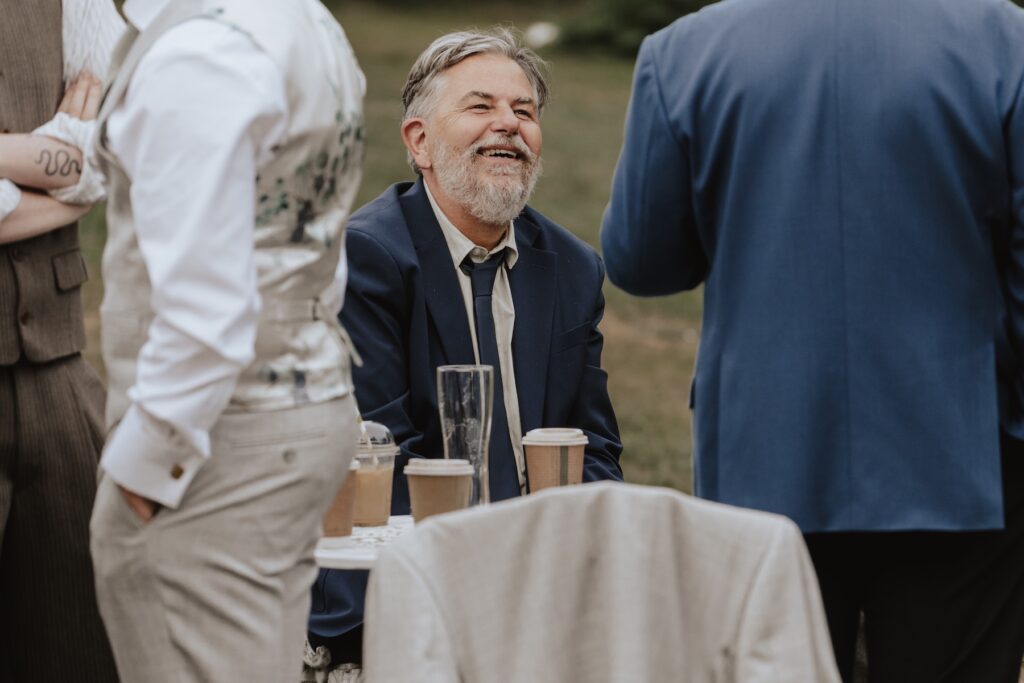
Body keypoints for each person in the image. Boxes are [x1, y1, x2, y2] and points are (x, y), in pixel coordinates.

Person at [600, 0, 1024, 681]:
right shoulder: (1004, 37)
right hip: (960, 451)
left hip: (762, 449)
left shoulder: (685, 51)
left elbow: (641, 261)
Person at [306, 28, 624, 678]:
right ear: (419, 141)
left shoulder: (572, 267)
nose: (508, 124)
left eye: (525, 111)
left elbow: (596, 451)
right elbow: (383, 455)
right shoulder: (367, 258)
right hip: (393, 593)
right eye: (481, 107)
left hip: (543, 592)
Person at [87, 0, 365, 680]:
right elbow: (316, 247)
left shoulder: (201, 53)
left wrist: (144, 469)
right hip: (309, 403)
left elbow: (204, 311)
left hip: (216, 440)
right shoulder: (308, 23)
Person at [0, 1, 123, 680]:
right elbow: (79, 167)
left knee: (82, 648)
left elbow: (110, 152)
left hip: (60, 378)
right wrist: (55, 158)